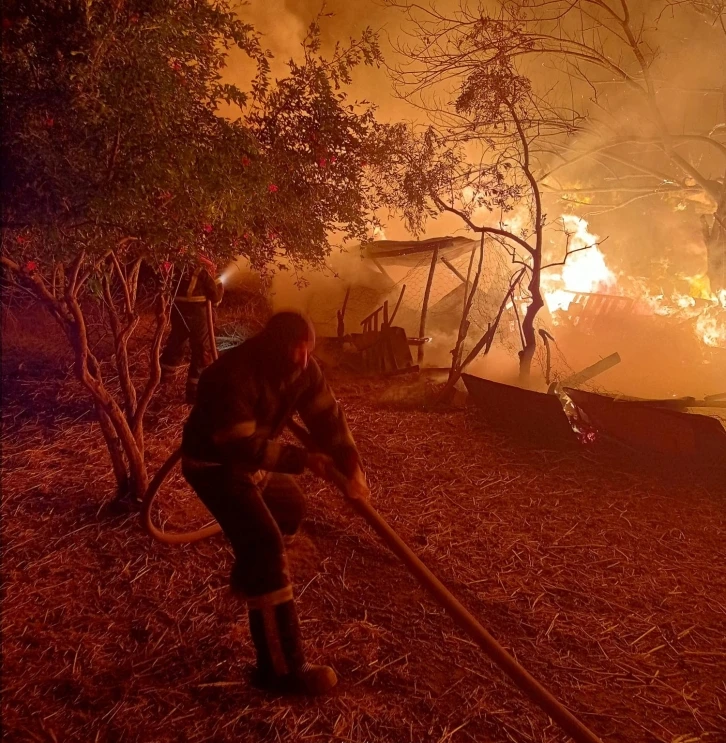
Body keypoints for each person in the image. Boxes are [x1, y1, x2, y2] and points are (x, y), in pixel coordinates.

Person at [181, 311, 368, 696]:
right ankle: (281, 671)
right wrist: (304, 461)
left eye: (308, 350)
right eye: (296, 350)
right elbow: (237, 446)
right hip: (217, 467)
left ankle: (254, 570)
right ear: (273, 346)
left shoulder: (302, 369)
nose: (303, 359)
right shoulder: (232, 376)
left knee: (290, 509)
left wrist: (350, 464)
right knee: (265, 544)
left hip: (254, 466)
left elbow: (327, 415)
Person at [160, 257, 223, 404]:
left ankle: (163, 380)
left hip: (178, 311)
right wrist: (218, 279)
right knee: (200, 350)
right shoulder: (203, 269)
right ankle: (193, 393)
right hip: (198, 314)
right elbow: (216, 297)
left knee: (176, 344)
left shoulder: (177, 265)